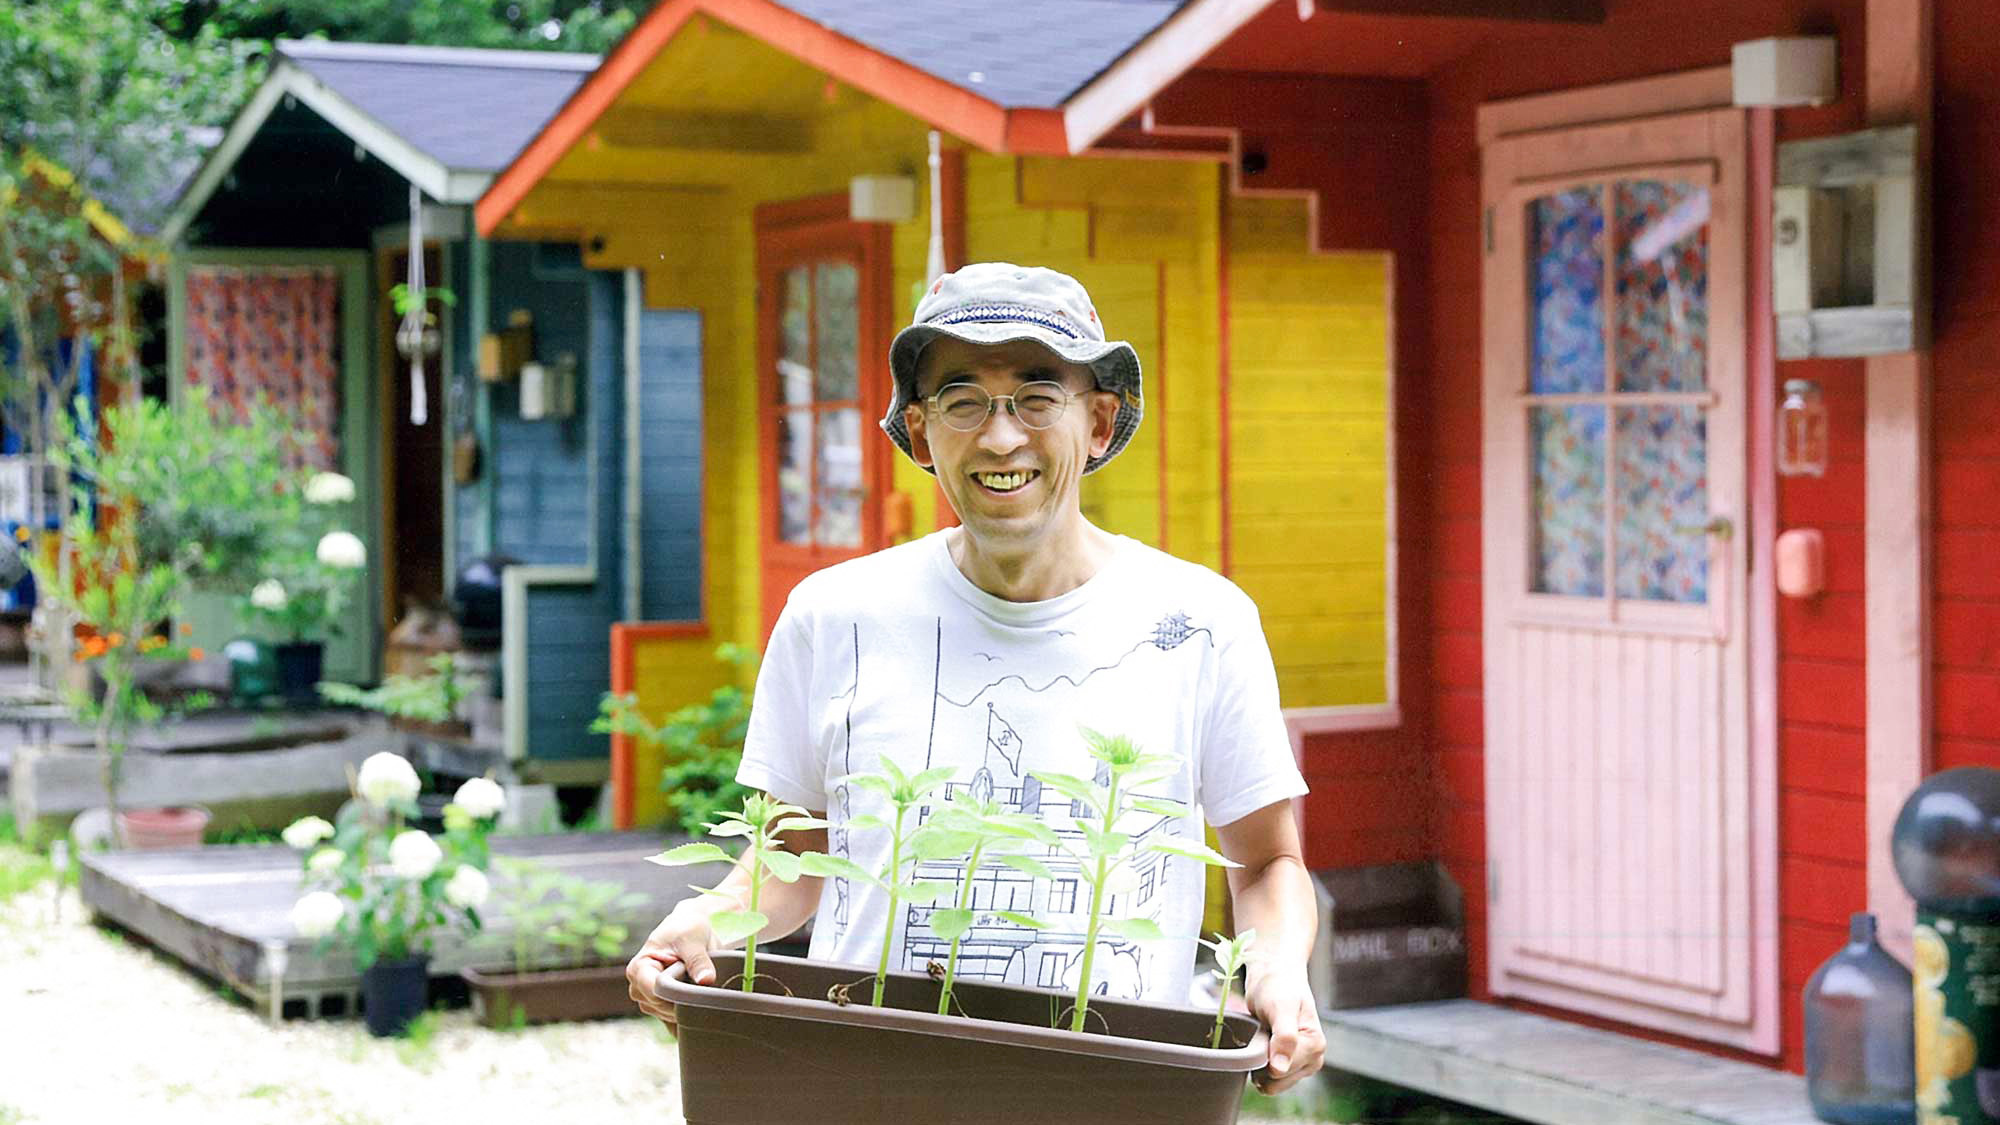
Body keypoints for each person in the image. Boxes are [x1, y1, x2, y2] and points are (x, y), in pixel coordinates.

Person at [627, 263, 1327, 1093]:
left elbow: (1267, 861)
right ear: (921, 434)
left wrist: (1276, 971)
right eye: (964, 402)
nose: (1001, 438)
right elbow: (798, 853)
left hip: (1114, 1094)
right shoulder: (835, 615)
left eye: (1037, 397)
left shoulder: (1202, 623)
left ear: (1098, 421)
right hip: (865, 1087)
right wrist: (711, 917)